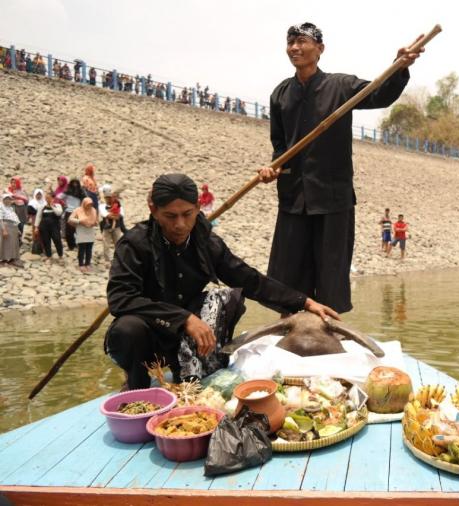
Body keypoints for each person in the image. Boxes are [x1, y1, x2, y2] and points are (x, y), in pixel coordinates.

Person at [105, 173, 340, 389]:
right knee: (127, 330)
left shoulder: (206, 242)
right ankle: (137, 384)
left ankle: (188, 371)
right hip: (152, 333)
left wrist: (304, 302)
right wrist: (183, 318)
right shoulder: (134, 244)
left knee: (228, 300)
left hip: (191, 337)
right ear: (153, 210)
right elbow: (121, 299)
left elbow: (249, 279)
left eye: (187, 214)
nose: (180, 225)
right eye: (170, 216)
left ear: (198, 208)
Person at [258, 22, 423, 314]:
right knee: (290, 267)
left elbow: (379, 95)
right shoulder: (280, 94)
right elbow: (280, 146)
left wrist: (399, 67)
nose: (294, 47)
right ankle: (291, 326)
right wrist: (273, 169)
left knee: (331, 270)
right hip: (294, 196)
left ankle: (329, 329)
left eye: (302, 41)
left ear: (320, 49)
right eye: (290, 42)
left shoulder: (341, 86)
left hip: (333, 196)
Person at [68, 197, 98, 272]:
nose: (89, 206)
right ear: (84, 204)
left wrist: (95, 223)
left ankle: (87, 263)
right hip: (81, 230)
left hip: (90, 231)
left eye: (90, 204)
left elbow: (96, 220)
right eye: (88, 204)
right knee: (81, 249)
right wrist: (79, 221)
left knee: (89, 249)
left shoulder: (93, 210)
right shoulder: (78, 210)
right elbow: (70, 219)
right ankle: (81, 264)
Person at [34, 191, 65, 263]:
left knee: (57, 240)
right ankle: (49, 256)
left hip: (55, 226)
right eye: (46, 198)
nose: (47, 199)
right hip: (44, 227)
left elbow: (59, 213)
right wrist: (36, 227)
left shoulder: (58, 205)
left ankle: (60, 256)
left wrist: (52, 205)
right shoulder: (42, 206)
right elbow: (38, 217)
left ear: (53, 198)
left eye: (49, 198)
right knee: (46, 241)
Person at [99, 185, 126, 261]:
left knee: (118, 243)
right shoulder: (102, 205)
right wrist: (114, 215)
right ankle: (107, 259)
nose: (108, 199)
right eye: (107, 197)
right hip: (106, 228)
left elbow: (121, 215)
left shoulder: (117, 204)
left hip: (117, 227)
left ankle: (118, 258)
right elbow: (105, 214)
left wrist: (112, 215)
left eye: (109, 197)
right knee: (106, 245)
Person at [62, 178, 85, 250]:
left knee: (76, 229)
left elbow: (85, 200)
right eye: (73, 183)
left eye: (76, 183)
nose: (75, 185)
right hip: (68, 211)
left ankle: (77, 244)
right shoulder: (67, 191)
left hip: (77, 212)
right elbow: (59, 197)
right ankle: (70, 245)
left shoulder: (81, 192)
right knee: (68, 230)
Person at [0, 193, 22, 267]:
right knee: (6, 244)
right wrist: (4, 230)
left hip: (13, 227)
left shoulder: (11, 208)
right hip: (6, 226)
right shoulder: (1, 207)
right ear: (3, 200)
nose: (7, 201)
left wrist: (18, 229)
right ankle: (4, 259)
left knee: (13, 244)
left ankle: (11, 259)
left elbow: (14, 219)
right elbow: (1, 219)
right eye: (6, 199)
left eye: (9, 199)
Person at [27, 188, 46, 255]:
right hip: (35, 220)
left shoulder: (44, 202)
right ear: (35, 195)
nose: (38, 196)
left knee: (43, 234)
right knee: (36, 233)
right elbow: (30, 211)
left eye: (40, 194)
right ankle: (36, 249)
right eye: (37, 194)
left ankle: (43, 248)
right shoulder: (32, 202)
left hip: (43, 220)